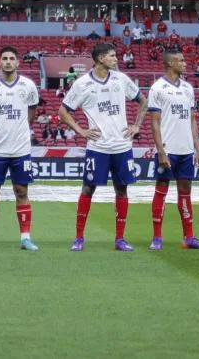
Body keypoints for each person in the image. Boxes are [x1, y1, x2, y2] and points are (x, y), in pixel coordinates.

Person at [59, 42, 147, 252]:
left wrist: (136, 125)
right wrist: (80, 131)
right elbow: (63, 111)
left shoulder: (121, 79)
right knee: (88, 189)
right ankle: (79, 238)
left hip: (122, 145)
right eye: (112, 56)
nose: (116, 59)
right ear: (100, 59)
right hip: (97, 147)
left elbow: (143, 101)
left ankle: (120, 239)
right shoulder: (82, 84)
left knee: (122, 190)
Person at [0, 46, 41, 252]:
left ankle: (25, 238)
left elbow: (32, 112)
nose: (8, 62)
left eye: (12, 58)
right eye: (4, 58)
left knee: (21, 191)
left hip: (21, 148)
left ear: (18, 62)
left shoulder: (28, 86)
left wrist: (20, 129)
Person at [148, 50, 199, 250]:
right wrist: (161, 151)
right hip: (168, 149)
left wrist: (197, 148)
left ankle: (189, 237)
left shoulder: (188, 88)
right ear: (170, 63)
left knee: (185, 192)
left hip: (186, 151)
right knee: (161, 191)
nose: (185, 63)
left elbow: (192, 119)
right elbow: (155, 123)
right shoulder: (157, 88)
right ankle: (157, 237)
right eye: (181, 60)